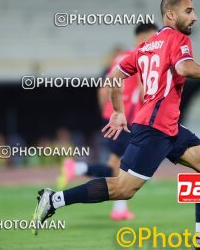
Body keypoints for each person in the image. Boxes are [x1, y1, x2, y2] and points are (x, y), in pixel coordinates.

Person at [32, 0, 200, 250]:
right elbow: (184, 68)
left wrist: (118, 111)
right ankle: (55, 199)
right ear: (170, 15)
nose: (194, 17)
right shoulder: (177, 38)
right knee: (123, 189)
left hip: (167, 126)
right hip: (154, 128)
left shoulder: (145, 47)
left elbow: (114, 77)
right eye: (188, 11)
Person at [56, 23, 158, 221]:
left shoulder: (121, 58)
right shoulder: (143, 57)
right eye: (155, 37)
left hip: (112, 117)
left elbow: (104, 89)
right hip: (127, 119)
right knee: (122, 168)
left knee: (116, 165)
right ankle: (114, 205)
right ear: (147, 37)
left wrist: (107, 111)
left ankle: (78, 171)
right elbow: (145, 89)